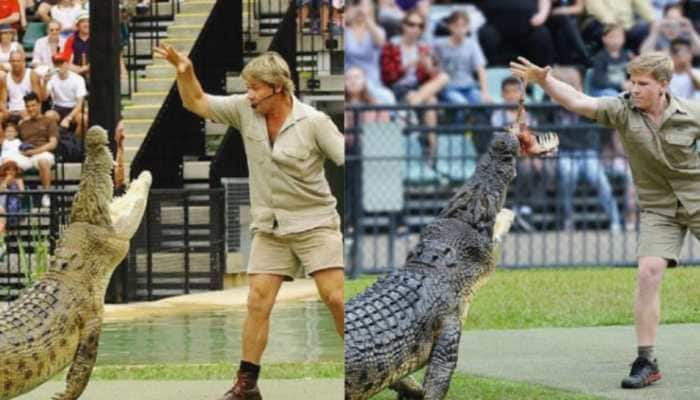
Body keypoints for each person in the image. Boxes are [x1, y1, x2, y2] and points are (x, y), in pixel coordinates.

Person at [153, 45, 344, 400]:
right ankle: (247, 384)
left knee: (335, 297)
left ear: (278, 89)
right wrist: (185, 70)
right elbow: (195, 101)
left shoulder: (315, 123)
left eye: (256, 87)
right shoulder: (245, 110)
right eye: (248, 87)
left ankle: (368, 362)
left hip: (315, 223)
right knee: (257, 300)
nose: (249, 94)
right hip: (270, 227)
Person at [510, 51, 700, 389]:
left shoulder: (693, 113)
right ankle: (646, 360)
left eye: (643, 83)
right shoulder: (621, 109)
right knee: (648, 270)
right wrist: (545, 80)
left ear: (663, 87)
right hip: (659, 208)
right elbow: (578, 102)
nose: (634, 88)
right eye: (632, 81)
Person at [550, 66, 622, 232]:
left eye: (571, 83)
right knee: (568, 175)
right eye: (563, 83)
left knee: (599, 179)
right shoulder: (551, 104)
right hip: (565, 152)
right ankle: (568, 218)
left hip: (587, 152)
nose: (567, 86)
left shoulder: (584, 100)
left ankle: (615, 220)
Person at [10, 92, 57, 208]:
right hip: (26, 154)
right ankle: (17, 197)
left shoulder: (49, 121)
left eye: (33, 105)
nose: (31, 108)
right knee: (8, 162)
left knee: (43, 161)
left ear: (39, 105)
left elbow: (53, 144)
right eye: (28, 106)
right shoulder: (23, 124)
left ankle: (46, 194)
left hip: (43, 152)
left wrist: (35, 152)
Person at [344, 0, 396, 105]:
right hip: (349, 81)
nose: (360, 8)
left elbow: (380, 42)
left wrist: (367, 19)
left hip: (371, 81)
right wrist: (346, 18)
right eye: (357, 5)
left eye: (364, 5)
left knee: (388, 98)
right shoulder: (346, 31)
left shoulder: (378, 31)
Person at [434, 10, 490, 106]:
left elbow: (480, 69)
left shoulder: (472, 44)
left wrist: (484, 92)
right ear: (450, 26)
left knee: (482, 102)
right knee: (461, 104)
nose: (460, 29)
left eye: (463, 25)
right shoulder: (439, 44)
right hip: (448, 87)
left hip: (469, 86)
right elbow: (433, 64)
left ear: (468, 27)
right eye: (456, 25)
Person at [43, 52, 87, 134]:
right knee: (48, 116)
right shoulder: (52, 78)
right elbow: (44, 98)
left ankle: (75, 142)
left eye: (61, 63)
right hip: (58, 108)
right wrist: (45, 83)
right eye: (57, 64)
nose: (59, 66)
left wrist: (68, 118)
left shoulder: (78, 79)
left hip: (73, 108)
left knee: (84, 119)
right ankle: (56, 141)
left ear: (66, 64)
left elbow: (79, 104)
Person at [590, 24, 633, 97]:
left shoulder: (627, 55)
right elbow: (599, 81)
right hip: (603, 90)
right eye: (612, 37)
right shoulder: (600, 57)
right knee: (611, 95)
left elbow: (630, 74)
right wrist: (620, 84)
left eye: (619, 37)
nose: (616, 40)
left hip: (621, 90)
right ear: (604, 39)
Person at [2, 49, 45, 121]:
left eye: (18, 61)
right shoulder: (5, 78)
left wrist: (28, 110)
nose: (15, 63)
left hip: (29, 109)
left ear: (23, 61)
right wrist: (5, 111)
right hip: (11, 111)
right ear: (9, 62)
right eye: (13, 61)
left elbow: (38, 99)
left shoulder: (32, 75)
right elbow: (2, 101)